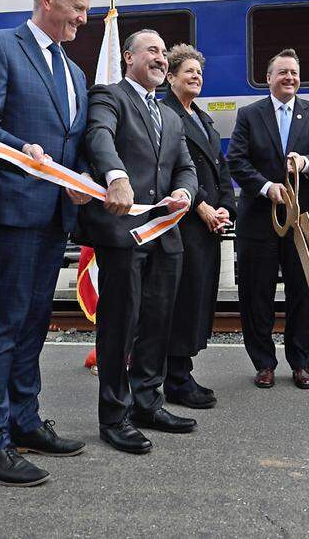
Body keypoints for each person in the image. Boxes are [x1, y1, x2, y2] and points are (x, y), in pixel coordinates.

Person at [0, 0, 92, 487]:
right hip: (15, 209)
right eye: (77, 9)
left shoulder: (76, 72)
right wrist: (22, 150)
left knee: (35, 321)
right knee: (4, 323)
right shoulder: (2, 49)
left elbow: (73, 139)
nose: (83, 21)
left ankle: (23, 419)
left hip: (54, 215)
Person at [77, 29, 198, 454]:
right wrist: (117, 177)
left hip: (166, 235)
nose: (162, 59)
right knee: (119, 327)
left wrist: (186, 192)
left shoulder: (169, 114)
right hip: (123, 234)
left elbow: (185, 165)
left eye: (165, 53)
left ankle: (148, 402)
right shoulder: (109, 96)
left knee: (156, 326)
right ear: (128, 57)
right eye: (152, 51)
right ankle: (114, 416)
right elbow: (99, 138)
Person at [226, 48, 309, 390]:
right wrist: (265, 187)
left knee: (302, 293)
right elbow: (237, 160)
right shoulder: (249, 114)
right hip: (259, 220)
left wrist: (305, 163)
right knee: (256, 294)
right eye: (283, 72)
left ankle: (301, 363)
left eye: (294, 72)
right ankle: (263, 363)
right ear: (268, 78)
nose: (290, 77)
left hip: (303, 220)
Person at [159, 44, 235, 409]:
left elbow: (221, 169)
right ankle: (175, 378)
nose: (195, 76)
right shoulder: (165, 113)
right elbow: (173, 168)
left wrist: (225, 208)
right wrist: (201, 204)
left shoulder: (203, 119)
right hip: (182, 221)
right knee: (183, 299)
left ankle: (182, 370)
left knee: (200, 297)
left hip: (207, 223)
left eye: (199, 72)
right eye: (187, 71)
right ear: (170, 77)